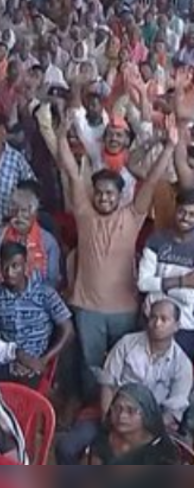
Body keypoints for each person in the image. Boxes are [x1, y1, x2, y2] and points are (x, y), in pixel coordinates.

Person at [54, 116, 175, 400]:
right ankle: (88, 410)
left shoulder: (132, 215)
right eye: (99, 193)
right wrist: (60, 137)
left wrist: (170, 145)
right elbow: (72, 173)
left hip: (124, 310)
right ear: (92, 195)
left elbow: (153, 179)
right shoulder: (84, 213)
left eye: (110, 194)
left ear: (121, 197)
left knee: (124, 367)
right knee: (90, 367)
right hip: (88, 309)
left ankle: (118, 412)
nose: (104, 198)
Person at [57, 296, 194, 464]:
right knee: (66, 447)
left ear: (176, 326)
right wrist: (111, 421)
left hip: (150, 429)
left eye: (164, 319)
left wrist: (139, 431)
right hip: (111, 414)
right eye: (153, 317)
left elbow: (173, 412)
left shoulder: (182, 365)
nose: (157, 323)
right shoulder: (127, 344)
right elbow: (107, 384)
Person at [0, 241, 74, 387]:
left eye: (15, 266)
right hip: (6, 361)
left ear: (26, 265)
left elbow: (68, 331)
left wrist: (44, 360)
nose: (9, 272)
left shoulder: (45, 294)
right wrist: (17, 356)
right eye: (5, 267)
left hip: (37, 363)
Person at [137, 187, 194, 359]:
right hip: (151, 320)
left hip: (186, 325)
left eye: (192, 214)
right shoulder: (157, 240)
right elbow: (143, 283)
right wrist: (182, 282)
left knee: (179, 377)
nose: (186, 218)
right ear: (175, 209)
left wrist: (161, 285)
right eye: (182, 211)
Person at [0, 182, 61, 295]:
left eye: (24, 211)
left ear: (34, 214)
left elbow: (52, 281)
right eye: (15, 210)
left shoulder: (48, 242)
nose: (18, 216)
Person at [83, 383, 184, 464]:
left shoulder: (162, 451)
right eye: (117, 408)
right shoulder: (105, 436)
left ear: (146, 414)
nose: (122, 415)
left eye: (131, 410)